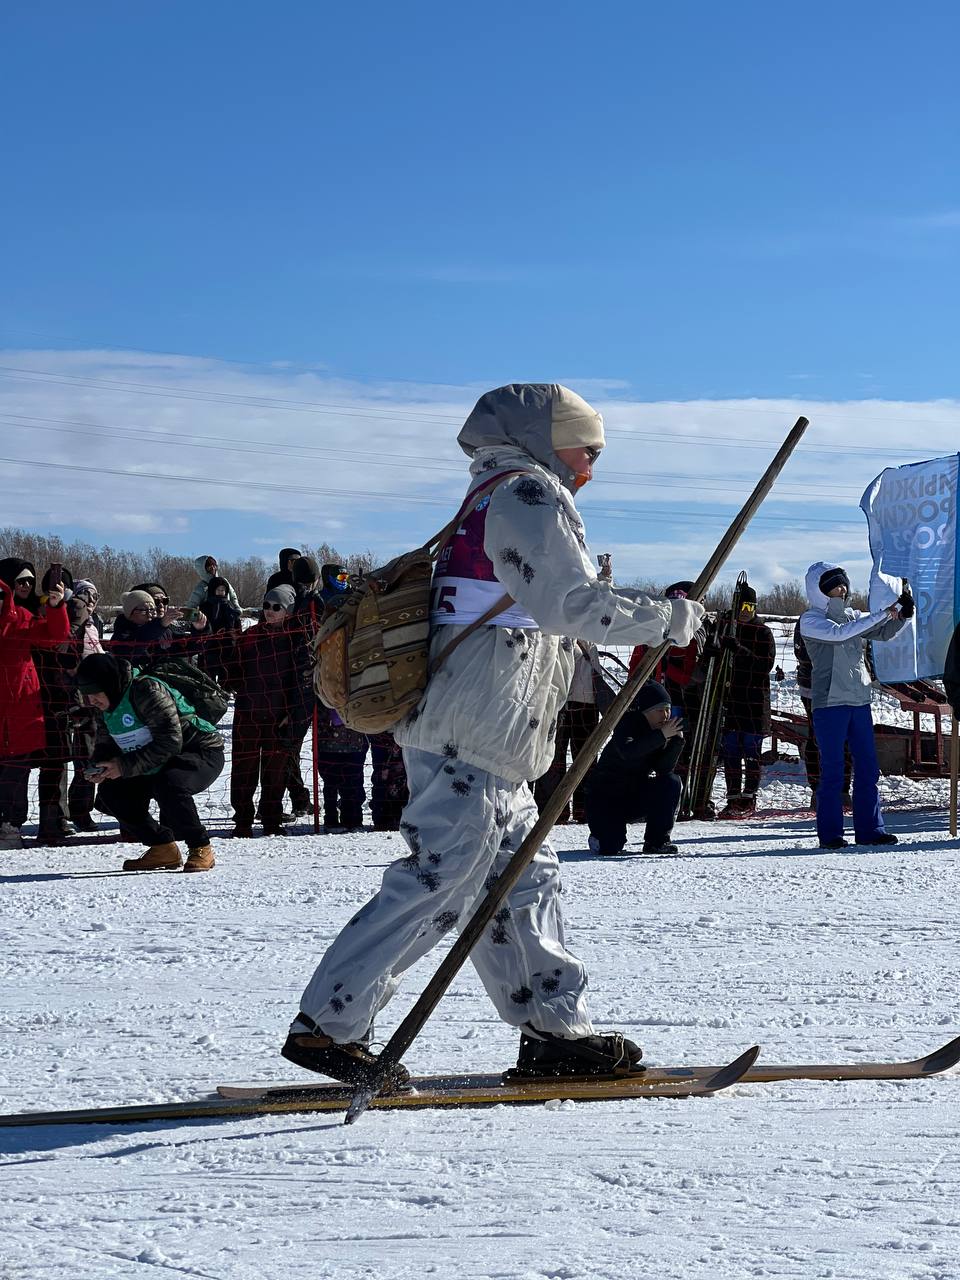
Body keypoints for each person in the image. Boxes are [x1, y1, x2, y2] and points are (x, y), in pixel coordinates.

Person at [283, 382, 704, 1087]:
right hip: (470, 729)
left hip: (491, 735)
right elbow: (569, 603)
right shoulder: (524, 496)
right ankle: (331, 1024)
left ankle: (554, 1031)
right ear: (547, 438)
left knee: (522, 880)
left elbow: (536, 619)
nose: (591, 469)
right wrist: (665, 619)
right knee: (443, 875)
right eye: (586, 449)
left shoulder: (503, 494)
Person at [75, 652, 224, 871]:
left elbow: (170, 742)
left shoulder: (146, 690)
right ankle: (162, 848)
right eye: (85, 696)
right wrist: (101, 766)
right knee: (111, 793)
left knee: (169, 784)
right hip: (155, 759)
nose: (91, 701)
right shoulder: (104, 706)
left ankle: (200, 847)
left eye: (95, 694)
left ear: (110, 684)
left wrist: (123, 766)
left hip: (199, 751)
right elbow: (105, 744)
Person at [799, 562, 908, 849]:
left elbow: (881, 633)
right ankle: (831, 835)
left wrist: (901, 616)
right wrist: (884, 613)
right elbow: (840, 634)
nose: (842, 588)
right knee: (834, 771)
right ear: (819, 590)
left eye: (843, 582)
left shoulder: (853, 616)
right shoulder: (811, 620)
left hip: (859, 700)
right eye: (834, 584)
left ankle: (871, 830)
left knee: (869, 768)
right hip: (829, 703)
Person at [0, 567, 69, 848]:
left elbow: (53, 636)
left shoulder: (20, 618)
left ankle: (11, 825)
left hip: (22, 708)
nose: (27, 585)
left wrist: (55, 605)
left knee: (17, 769)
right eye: (21, 581)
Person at [222, 585, 298, 837]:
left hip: (279, 714)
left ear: (288, 611)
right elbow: (232, 672)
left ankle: (271, 819)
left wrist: (293, 711)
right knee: (244, 767)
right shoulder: (250, 636)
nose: (270, 611)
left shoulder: (295, 639)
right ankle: (242, 820)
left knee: (275, 770)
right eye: (266, 605)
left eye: (276, 607)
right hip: (248, 711)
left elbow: (300, 681)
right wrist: (226, 654)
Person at [586, 680, 684, 856]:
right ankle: (599, 835)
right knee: (610, 848)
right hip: (605, 798)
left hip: (632, 795)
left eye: (668, 709)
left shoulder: (658, 732)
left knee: (671, 782)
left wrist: (676, 742)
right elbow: (628, 752)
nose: (666, 715)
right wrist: (661, 736)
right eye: (660, 710)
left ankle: (657, 842)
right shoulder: (627, 724)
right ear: (645, 712)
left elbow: (663, 769)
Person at [717, 585, 776, 816]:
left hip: (754, 702)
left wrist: (739, 649)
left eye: (749, 606)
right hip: (731, 701)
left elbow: (765, 665)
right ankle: (732, 798)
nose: (744, 611)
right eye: (741, 606)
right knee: (731, 751)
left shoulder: (763, 632)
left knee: (751, 752)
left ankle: (749, 797)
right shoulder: (727, 629)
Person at [533, 639, 602, 823]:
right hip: (577, 701)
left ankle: (566, 808)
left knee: (568, 756)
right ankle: (569, 808)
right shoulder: (585, 638)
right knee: (566, 756)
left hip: (569, 701)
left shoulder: (569, 634)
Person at [793, 619, 851, 810]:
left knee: (843, 738)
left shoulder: (847, 616)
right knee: (817, 736)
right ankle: (818, 788)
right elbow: (801, 652)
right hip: (812, 686)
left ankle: (842, 789)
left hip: (843, 687)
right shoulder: (807, 620)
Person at [110, 590, 208, 664]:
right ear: (130, 613)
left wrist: (200, 630)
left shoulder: (162, 631)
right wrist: (159, 625)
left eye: (152, 609)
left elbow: (187, 648)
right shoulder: (122, 632)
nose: (150, 614)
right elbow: (128, 651)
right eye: (143, 610)